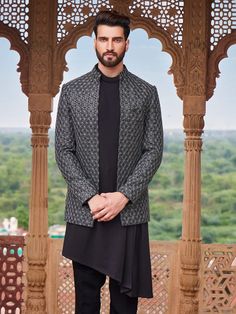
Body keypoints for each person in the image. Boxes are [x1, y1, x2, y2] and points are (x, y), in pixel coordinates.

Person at [55, 10, 163, 314]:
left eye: (117, 39)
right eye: (104, 39)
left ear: (127, 44)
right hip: (84, 213)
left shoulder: (146, 93)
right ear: (94, 42)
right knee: (85, 305)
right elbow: (64, 150)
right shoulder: (72, 92)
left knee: (124, 307)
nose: (110, 46)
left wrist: (122, 197)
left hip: (128, 214)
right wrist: (91, 198)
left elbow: (153, 150)